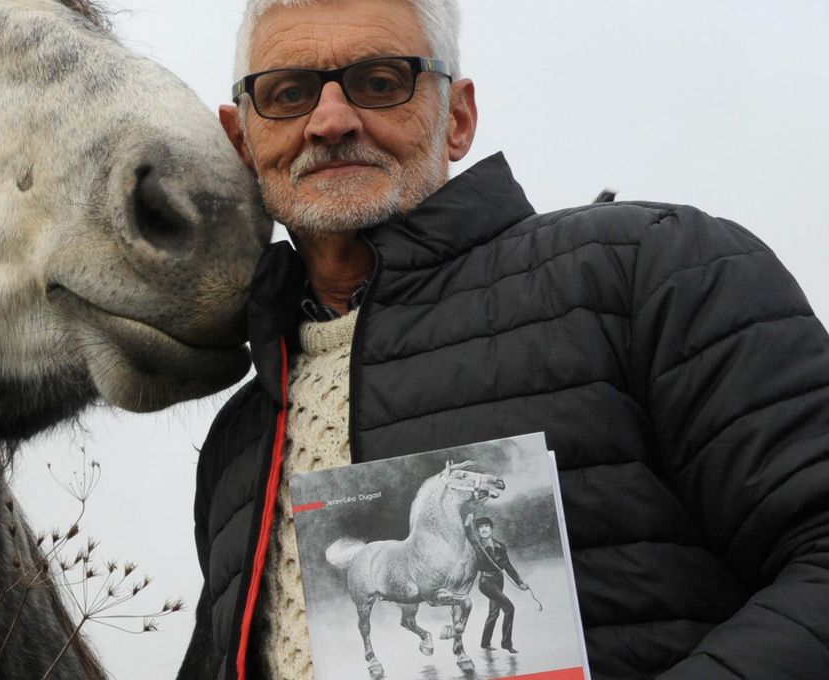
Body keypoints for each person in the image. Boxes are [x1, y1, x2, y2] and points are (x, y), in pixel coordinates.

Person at [178, 0, 829, 678]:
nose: (332, 120)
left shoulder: (647, 273)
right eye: (289, 94)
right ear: (242, 140)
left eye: (379, 82)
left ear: (457, 117)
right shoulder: (237, 441)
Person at [472, 517, 529, 655]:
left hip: (499, 580)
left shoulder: (500, 546)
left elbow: (508, 566)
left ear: (491, 528)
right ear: (477, 531)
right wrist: (468, 524)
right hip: (486, 582)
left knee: (494, 612)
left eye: (486, 526)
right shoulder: (476, 546)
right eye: (480, 527)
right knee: (509, 608)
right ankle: (506, 644)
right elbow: (468, 536)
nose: (484, 529)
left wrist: (520, 582)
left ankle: (485, 643)